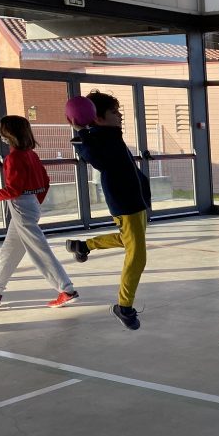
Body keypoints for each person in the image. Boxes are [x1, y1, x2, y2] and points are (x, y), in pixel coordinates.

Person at [0, 116, 78, 308]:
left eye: (2, 130)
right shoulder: (31, 155)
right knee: (10, 250)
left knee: (39, 250)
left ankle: (67, 290)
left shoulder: (13, 158)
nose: (0, 133)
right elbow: (45, 182)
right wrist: (35, 202)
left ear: (9, 133)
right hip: (29, 204)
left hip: (21, 206)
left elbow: (13, 190)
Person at [64, 90, 150, 330]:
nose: (119, 115)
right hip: (125, 203)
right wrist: (81, 131)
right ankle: (124, 306)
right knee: (137, 255)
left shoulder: (110, 135)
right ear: (97, 117)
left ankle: (83, 246)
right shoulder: (94, 139)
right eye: (114, 112)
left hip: (136, 201)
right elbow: (95, 159)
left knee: (128, 240)